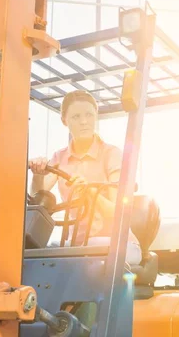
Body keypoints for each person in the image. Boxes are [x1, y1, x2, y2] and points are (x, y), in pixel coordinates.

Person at [28, 90, 142, 265]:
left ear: (96, 116)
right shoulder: (59, 157)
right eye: (76, 117)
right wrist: (37, 174)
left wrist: (89, 191)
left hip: (117, 242)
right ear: (64, 121)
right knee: (36, 254)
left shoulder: (111, 154)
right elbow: (37, 196)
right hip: (77, 243)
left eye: (89, 115)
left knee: (83, 258)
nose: (84, 122)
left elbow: (117, 212)